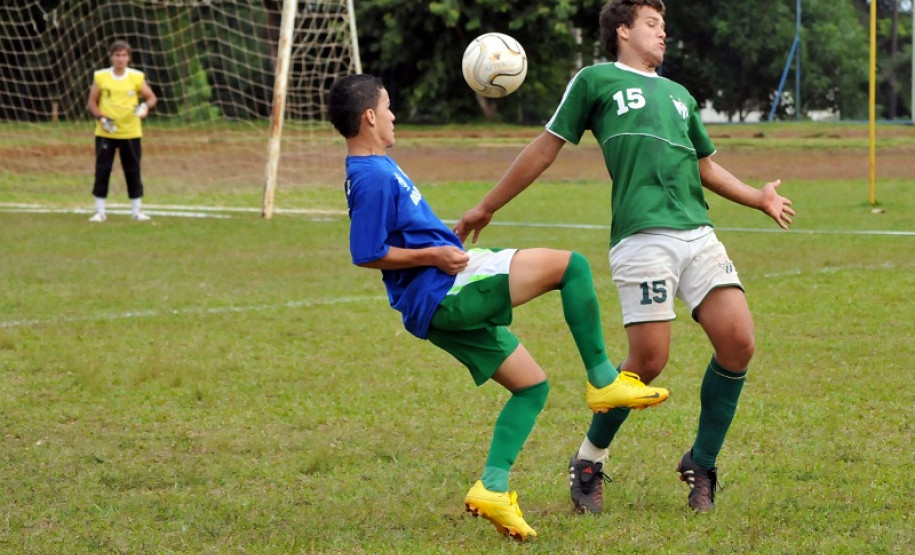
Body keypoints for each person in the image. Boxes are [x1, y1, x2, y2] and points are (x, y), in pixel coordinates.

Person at [454, 0, 796, 514]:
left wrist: (758, 197)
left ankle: (702, 463)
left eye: (664, 25)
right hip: (642, 237)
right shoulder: (595, 81)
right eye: (652, 24)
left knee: (739, 343)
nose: (663, 34)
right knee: (648, 362)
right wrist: (487, 206)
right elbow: (545, 148)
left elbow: (705, 166)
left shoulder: (680, 95)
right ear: (621, 30)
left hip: (698, 233)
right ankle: (589, 460)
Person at [328, 73, 670, 541]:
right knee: (572, 267)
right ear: (369, 116)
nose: (393, 115)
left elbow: (397, 234)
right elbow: (366, 252)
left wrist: (436, 240)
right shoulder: (369, 175)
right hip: (444, 289)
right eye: (387, 107)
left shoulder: (374, 166)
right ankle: (603, 380)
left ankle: (492, 488)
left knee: (531, 386)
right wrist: (435, 255)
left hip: (434, 299)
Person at [86, 40, 157, 222]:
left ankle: (136, 211)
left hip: (131, 132)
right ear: (111, 57)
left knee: (133, 171)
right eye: (117, 55)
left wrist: (145, 107)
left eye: (124, 55)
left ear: (129, 58)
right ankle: (100, 211)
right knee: (103, 170)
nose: (120, 59)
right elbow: (92, 102)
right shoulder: (101, 76)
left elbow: (151, 98)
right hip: (106, 132)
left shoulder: (136, 77)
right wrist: (101, 118)